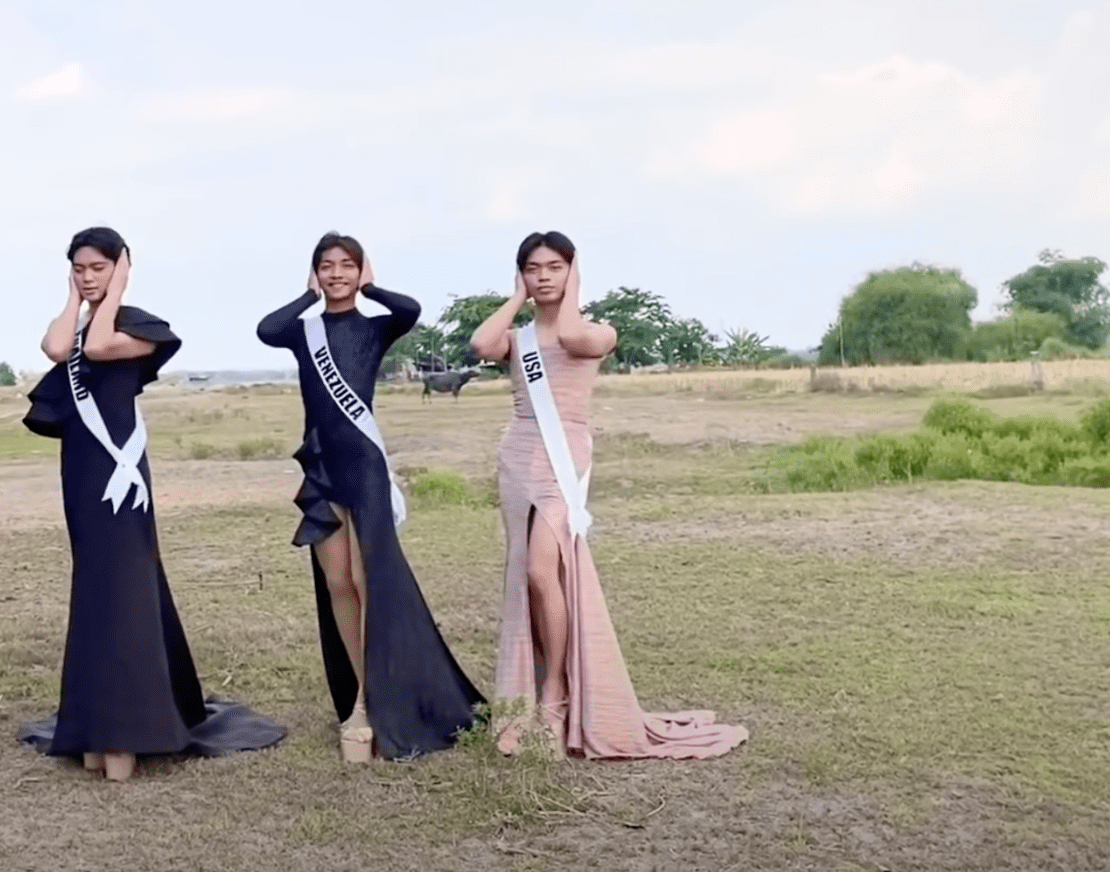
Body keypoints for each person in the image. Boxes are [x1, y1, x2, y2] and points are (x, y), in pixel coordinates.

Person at [18, 226, 286, 780]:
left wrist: (117, 287)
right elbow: (54, 347)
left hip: (121, 473)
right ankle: (96, 722)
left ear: (120, 267)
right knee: (93, 587)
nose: (89, 277)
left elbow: (96, 349)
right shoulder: (77, 323)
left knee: (125, 588)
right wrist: (75, 298)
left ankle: (128, 725)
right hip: (82, 471)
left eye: (99, 267)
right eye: (80, 268)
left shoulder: (141, 327)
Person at [470, 231, 748, 760]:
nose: (543, 276)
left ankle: (555, 696)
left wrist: (572, 292)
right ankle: (531, 696)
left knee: (541, 569)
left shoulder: (598, 331)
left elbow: (572, 336)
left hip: (564, 457)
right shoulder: (519, 337)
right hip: (516, 458)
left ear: (572, 271)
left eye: (555, 266)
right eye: (533, 268)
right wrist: (514, 300)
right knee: (524, 578)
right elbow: (482, 346)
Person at [257, 232, 485, 762]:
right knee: (338, 582)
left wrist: (373, 285)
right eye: (326, 266)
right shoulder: (304, 331)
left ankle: (374, 702)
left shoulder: (375, 326)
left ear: (361, 271)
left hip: (363, 467)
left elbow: (410, 309)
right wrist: (309, 295)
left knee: (367, 581)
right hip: (321, 467)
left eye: (347, 265)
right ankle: (360, 698)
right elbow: (267, 329)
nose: (337, 273)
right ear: (314, 273)